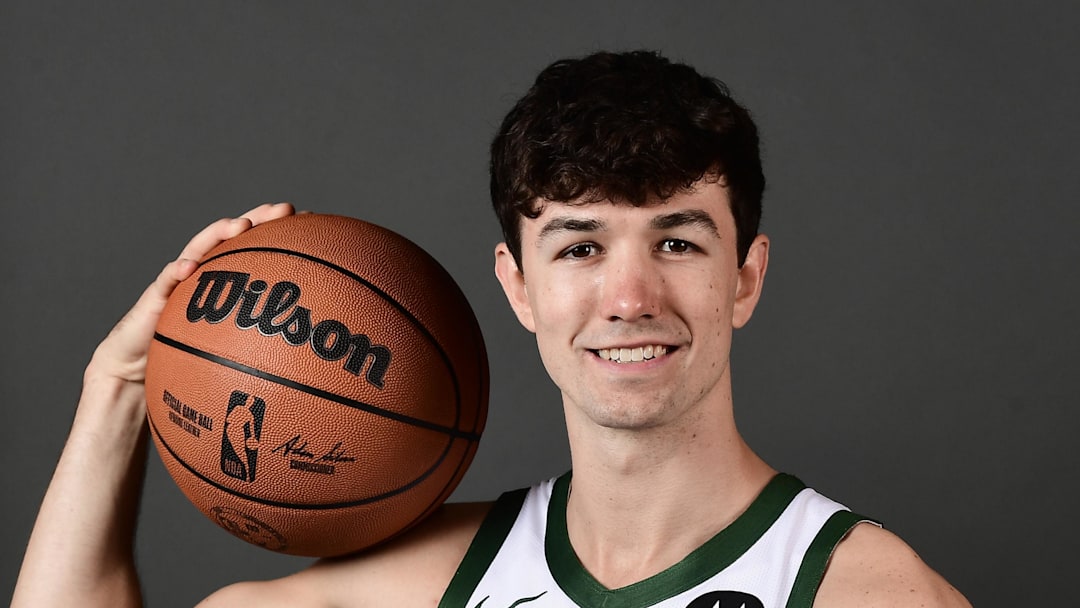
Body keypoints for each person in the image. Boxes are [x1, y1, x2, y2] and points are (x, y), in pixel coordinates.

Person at [13, 50, 970, 607]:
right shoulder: (441, 578)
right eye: (580, 247)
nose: (630, 296)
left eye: (677, 242)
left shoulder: (869, 594)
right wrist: (121, 388)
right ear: (517, 288)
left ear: (745, 278)